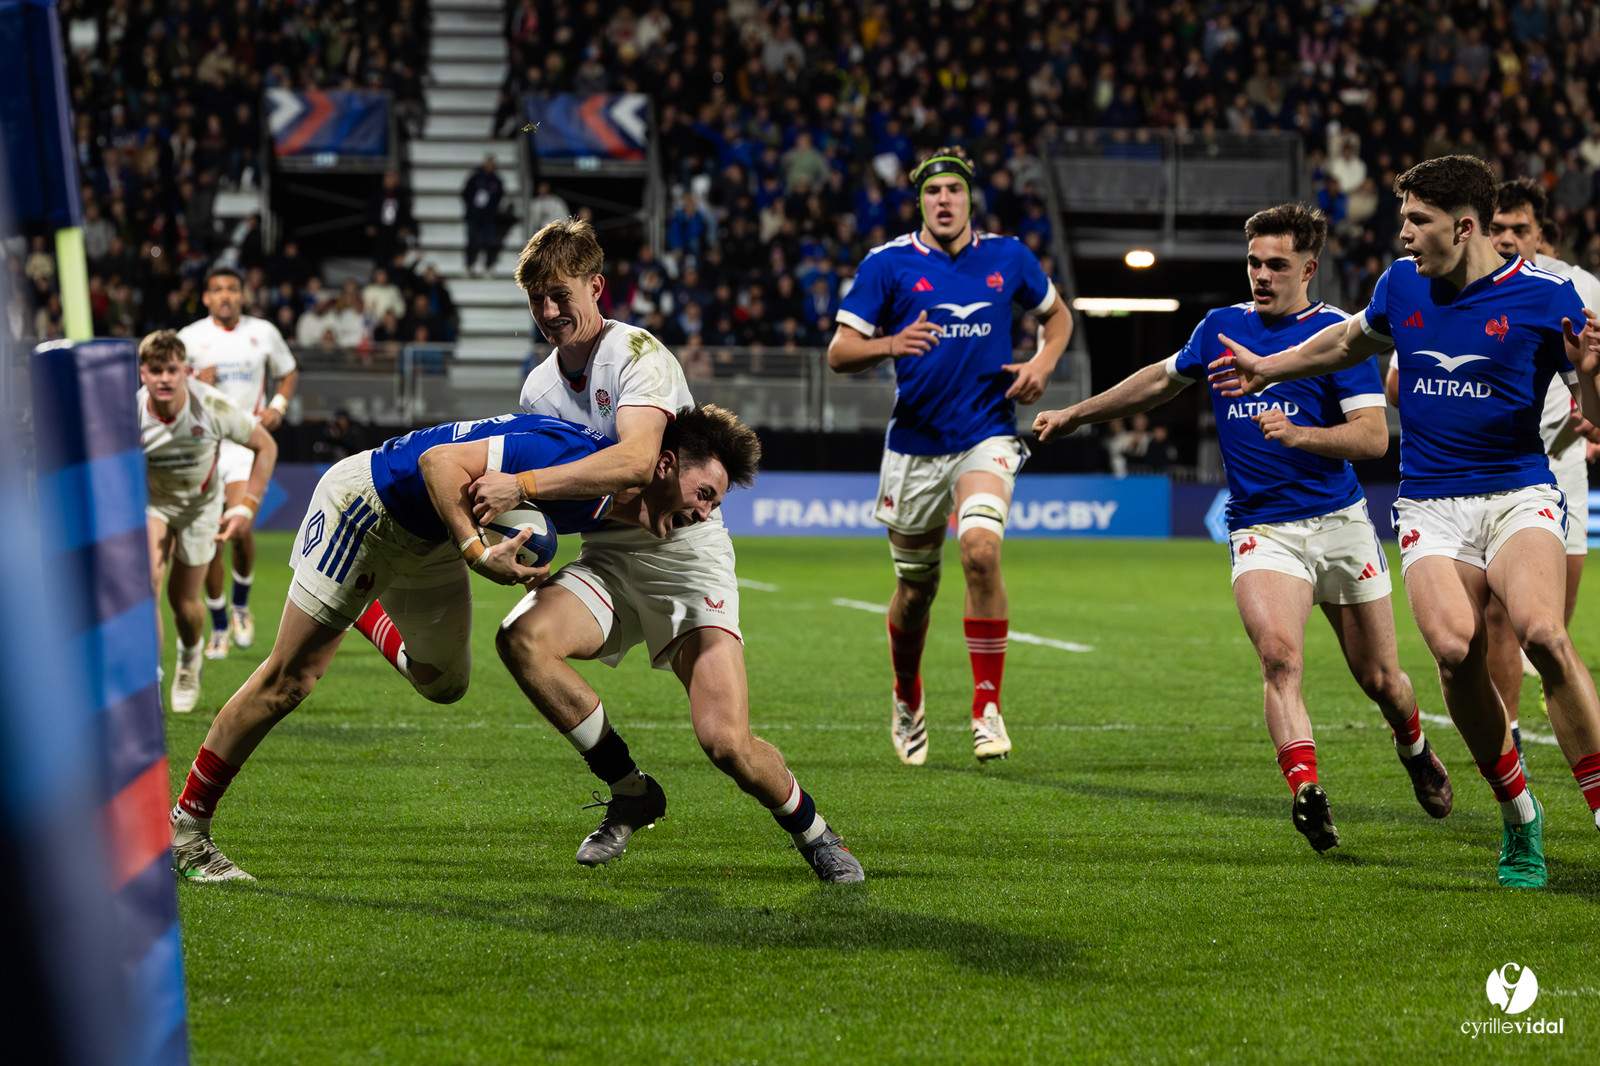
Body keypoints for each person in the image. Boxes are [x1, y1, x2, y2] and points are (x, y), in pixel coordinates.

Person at [1210, 156, 1600, 888]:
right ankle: (1520, 816)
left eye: (1416, 220)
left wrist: (1596, 378)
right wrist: (1274, 367)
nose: (1403, 234)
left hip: (1517, 492)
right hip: (1428, 504)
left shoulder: (1550, 300)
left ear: (1463, 226)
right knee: (1455, 651)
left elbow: (1596, 421)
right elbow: (1347, 341)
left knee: (1544, 633)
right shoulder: (1400, 286)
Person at [169, 404, 749, 881]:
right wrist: (477, 553)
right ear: (665, 464)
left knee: (444, 683)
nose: (704, 515)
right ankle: (187, 835)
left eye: (714, 506)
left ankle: (360, 608)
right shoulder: (577, 460)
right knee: (288, 681)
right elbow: (439, 462)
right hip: (369, 508)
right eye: (704, 495)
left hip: (430, 539)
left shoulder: (607, 494)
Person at [453, 218, 864, 882]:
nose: (551, 313)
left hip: (686, 554)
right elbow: (575, 489)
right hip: (611, 552)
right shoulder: (538, 388)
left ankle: (813, 830)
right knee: (521, 640)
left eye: (562, 295)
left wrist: (522, 487)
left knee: (725, 743)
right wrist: (526, 531)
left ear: (596, 287)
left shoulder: (637, 353)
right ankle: (630, 791)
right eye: (538, 300)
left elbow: (639, 462)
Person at [1034, 204, 1453, 852]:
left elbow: (1373, 440)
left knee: (1382, 682)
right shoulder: (1220, 328)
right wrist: (1076, 415)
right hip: (1263, 528)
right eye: (1253, 262)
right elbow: (1157, 382)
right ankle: (1307, 789)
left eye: (1276, 264)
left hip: (1340, 524)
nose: (1261, 274)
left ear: (1308, 268)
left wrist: (1300, 434)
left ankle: (1415, 746)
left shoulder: (1340, 337)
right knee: (1279, 659)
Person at [825, 146, 1072, 765]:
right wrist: (889, 343)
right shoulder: (888, 265)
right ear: (920, 203)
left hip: (987, 433)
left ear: (969, 198)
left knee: (981, 552)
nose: (944, 201)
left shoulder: (1008, 256)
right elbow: (839, 351)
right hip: (914, 446)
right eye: (933, 193)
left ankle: (986, 707)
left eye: (954, 192)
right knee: (917, 589)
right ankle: (907, 693)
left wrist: (1042, 363)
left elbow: (1058, 316)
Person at [1481, 181, 1600, 760]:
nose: (1506, 239)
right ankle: (1511, 740)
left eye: (1518, 230)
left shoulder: (1578, 289)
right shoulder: (1462, 281)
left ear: (1541, 235)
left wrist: (1595, 418)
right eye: (1497, 228)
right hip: (1504, 470)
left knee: (1550, 629)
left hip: (1568, 464)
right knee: (1502, 618)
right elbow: (1401, 380)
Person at [137, 330, 277, 715]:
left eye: (171, 369)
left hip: (201, 508)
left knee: (183, 603)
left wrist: (247, 505)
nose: (164, 378)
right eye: (154, 370)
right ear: (142, 373)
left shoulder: (212, 406)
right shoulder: (129, 415)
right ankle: (151, 679)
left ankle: (188, 659)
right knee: (146, 581)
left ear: (185, 371)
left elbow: (266, 445)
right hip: (154, 505)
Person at [176, 266, 297, 661]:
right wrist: (193, 380)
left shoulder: (262, 332)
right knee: (211, 536)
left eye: (232, 289)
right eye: (217, 290)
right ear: (206, 297)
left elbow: (288, 371)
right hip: (205, 447)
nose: (225, 296)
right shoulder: (189, 338)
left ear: (243, 295)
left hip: (246, 443)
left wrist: (278, 406)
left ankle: (241, 605)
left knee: (239, 525)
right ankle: (220, 627)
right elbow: (167, 387)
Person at [463, 155, 506, 278]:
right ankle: (469, 265)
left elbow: (499, 196)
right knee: (472, 241)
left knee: (490, 242)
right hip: (474, 215)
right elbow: (466, 193)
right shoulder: (475, 177)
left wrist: (492, 210)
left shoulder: (496, 181)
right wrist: (471, 207)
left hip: (488, 217)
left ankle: (487, 266)